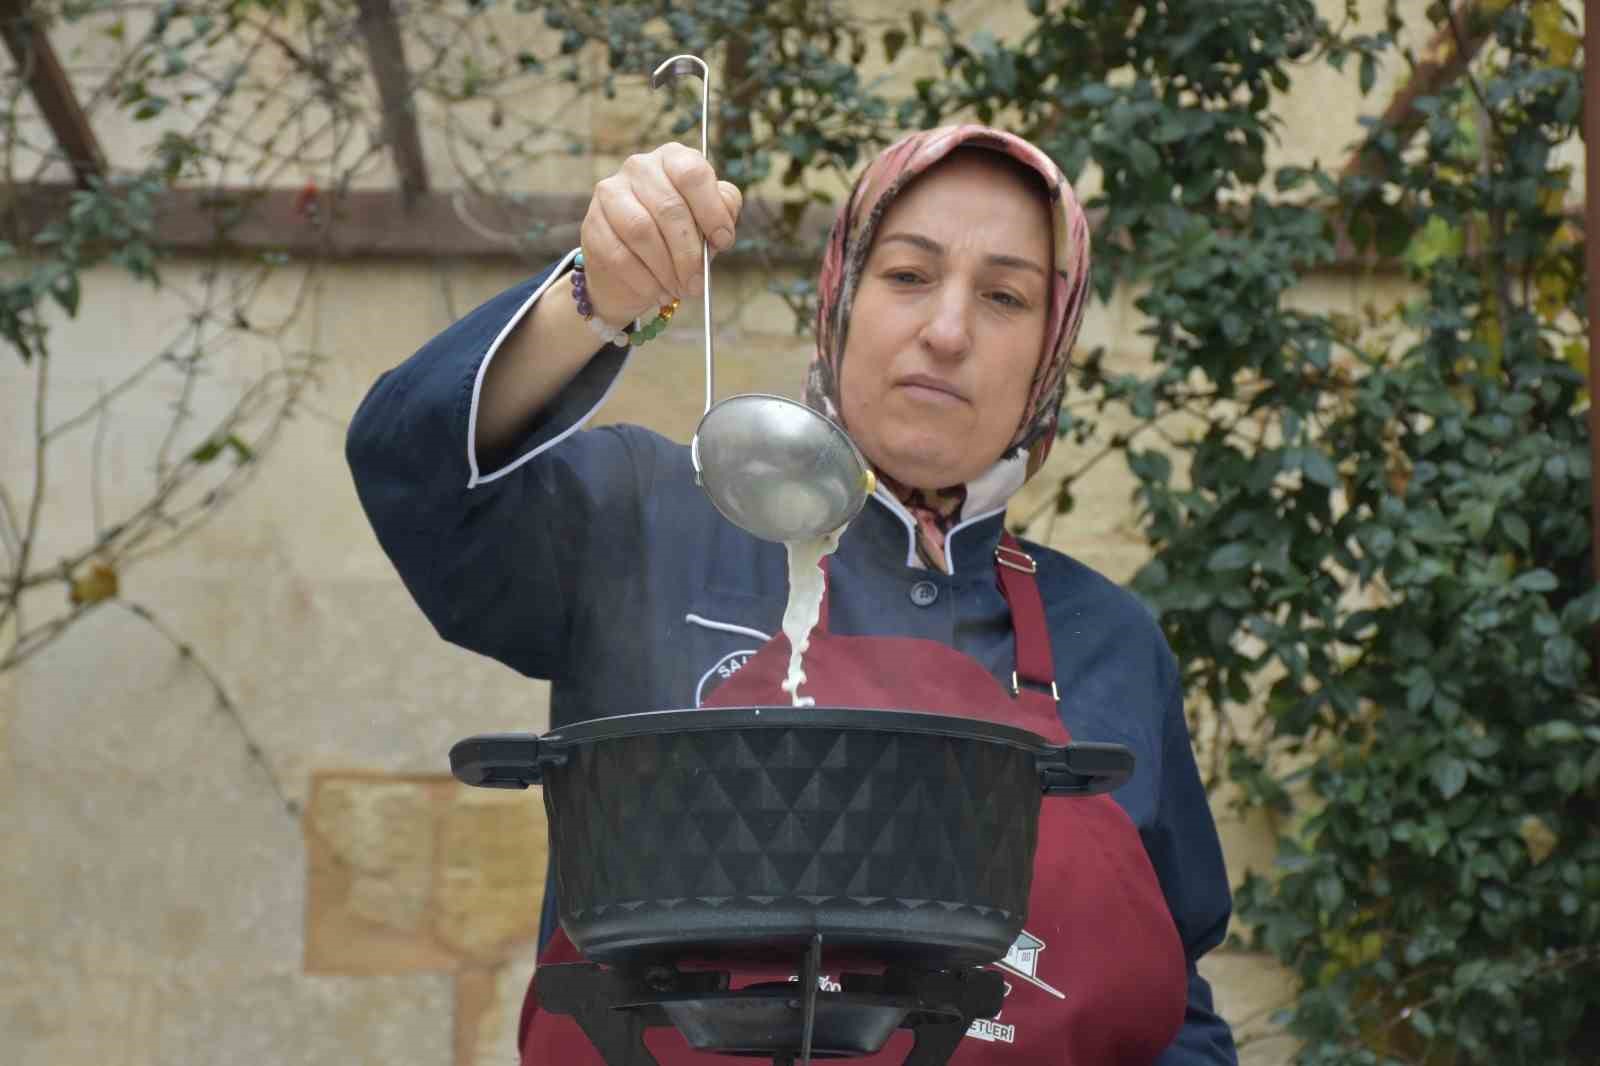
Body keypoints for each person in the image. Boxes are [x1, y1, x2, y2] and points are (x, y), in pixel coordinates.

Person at [347, 124, 1238, 1065]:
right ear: (842, 300)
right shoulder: (657, 524)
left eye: (1006, 296)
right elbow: (413, 472)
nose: (947, 329)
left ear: (1049, 355)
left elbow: (1170, 1014)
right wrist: (595, 298)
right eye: (907, 276)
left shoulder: (1110, 642)